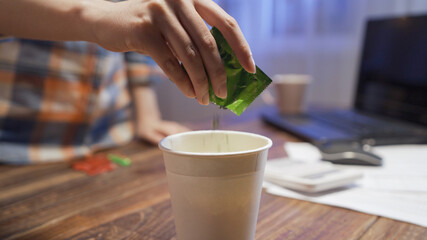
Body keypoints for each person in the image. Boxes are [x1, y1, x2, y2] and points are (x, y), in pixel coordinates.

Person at [0, 0, 255, 164]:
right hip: (18, 148)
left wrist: (147, 116)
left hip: (112, 142)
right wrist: (96, 14)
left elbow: (140, 30)